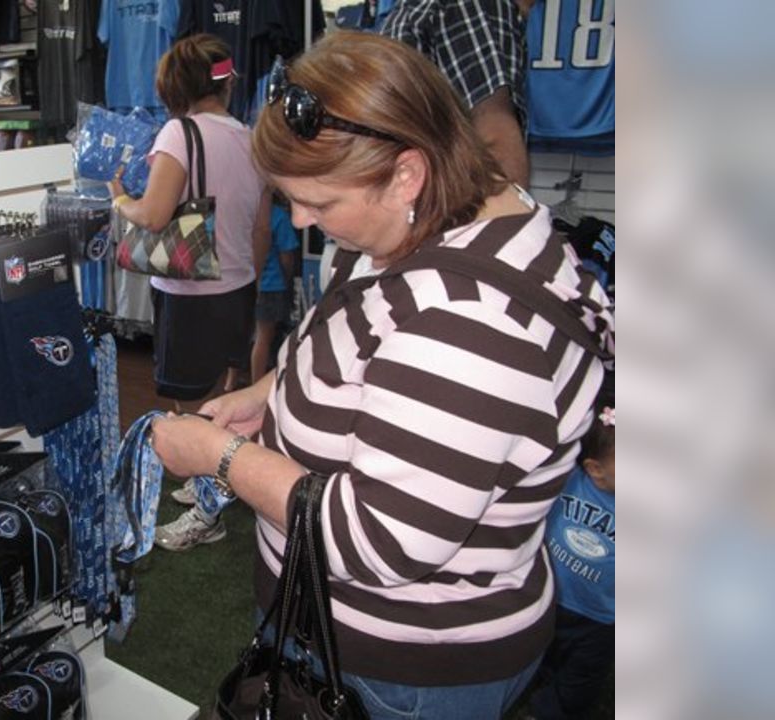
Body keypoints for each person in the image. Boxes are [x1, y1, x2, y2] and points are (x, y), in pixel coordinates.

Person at [148, 31, 612, 719]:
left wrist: (222, 457)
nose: (301, 219)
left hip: (397, 668)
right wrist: (269, 393)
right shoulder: (433, 221)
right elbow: (360, 348)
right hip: (341, 631)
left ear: (406, 175)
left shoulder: (470, 325)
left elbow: (378, 539)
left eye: (321, 204)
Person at [109, 33, 268, 551]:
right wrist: (245, 273)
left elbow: (153, 215)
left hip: (189, 288)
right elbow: (261, 227)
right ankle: (215, 482)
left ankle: (207, 509)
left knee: (188, 398)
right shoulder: (249, 136)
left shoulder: (178, 133)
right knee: (226, 395)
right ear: (224, 83)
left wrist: (120, 200)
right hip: (238, 283)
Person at [528, 389, 615, 720]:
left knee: (579, 683)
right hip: (550, 597)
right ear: (595, 469)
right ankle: (537, 685)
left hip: (600, 619)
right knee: (540, 657)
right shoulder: (569, 481)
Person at [380, 0, 531, 186]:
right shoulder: (461, 6)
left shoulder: (463, 5)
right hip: (425, 197)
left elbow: (495, 137)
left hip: (433, 199)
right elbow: (495, 136)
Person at [250, 193, 301, 386]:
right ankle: (257, 384)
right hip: (271, 283)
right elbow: (286, 255)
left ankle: (230, 381)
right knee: (265, 337)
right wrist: (287, 278)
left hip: (246, 281)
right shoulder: (278, 216)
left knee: (247, 335)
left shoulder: (247, 214)